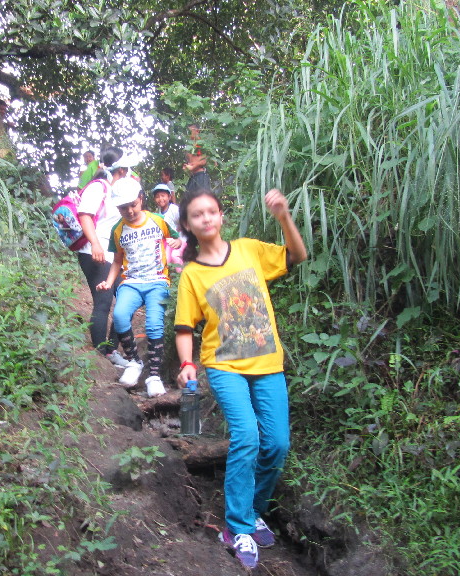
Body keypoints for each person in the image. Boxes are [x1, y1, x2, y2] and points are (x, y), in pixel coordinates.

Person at [173, 187, 308, 570]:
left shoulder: (249, 250)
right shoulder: (192, 274)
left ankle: (252, 511)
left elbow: (297, 255)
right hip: (224, 366)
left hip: (267, 363)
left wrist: (283, 216)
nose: (206, 218)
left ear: (221, 216)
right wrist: (187, 364)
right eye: (197, 214)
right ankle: (236, 527)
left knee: (277, 443)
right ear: (188, 225)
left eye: (211, 211)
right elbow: (184, 327)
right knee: (247, 436)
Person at [96, 177, 182, 397]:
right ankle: (135, 361)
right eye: (123, 208)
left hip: (158, 281)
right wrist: (108, 281)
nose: (130, 211)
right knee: (120, 315)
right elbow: (117, 261)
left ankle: (154, 375)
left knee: (154, 324)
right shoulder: (118, 230)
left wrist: (176, 242)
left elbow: (177, 238)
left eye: (133, 205)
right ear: (117, 208)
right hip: (131, 283)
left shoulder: (158, 220)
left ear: (141, 199)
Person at [75, 156, 131, 371]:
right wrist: (95, 244)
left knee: (125, 300)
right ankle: (102, 354)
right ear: (121, 171)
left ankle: (111, 350)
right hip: (94, 251)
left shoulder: (117, 193)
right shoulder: (98, 187)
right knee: (104, 301)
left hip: (112, 254)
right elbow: (85, 215)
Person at [152, 182, 185, 272]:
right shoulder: (159, 212)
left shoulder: (174, 209)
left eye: (163, 196)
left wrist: (180, 230)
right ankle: (167, 275)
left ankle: (181, 275)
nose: (160, 199)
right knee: (165, 257)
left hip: (181, 238)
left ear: (169, 197)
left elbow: (185, 222)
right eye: (157, 197)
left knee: (175, 255)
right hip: (170, 240)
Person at [183, 124, 211, 195]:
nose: (189, 133)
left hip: (200, 176)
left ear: (197, 131)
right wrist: (187, 167)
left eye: (190, 131)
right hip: (193, 177)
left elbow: (204, 160)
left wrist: (193, 167)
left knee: (202, 197)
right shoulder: (190, 145)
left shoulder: (200, 144)